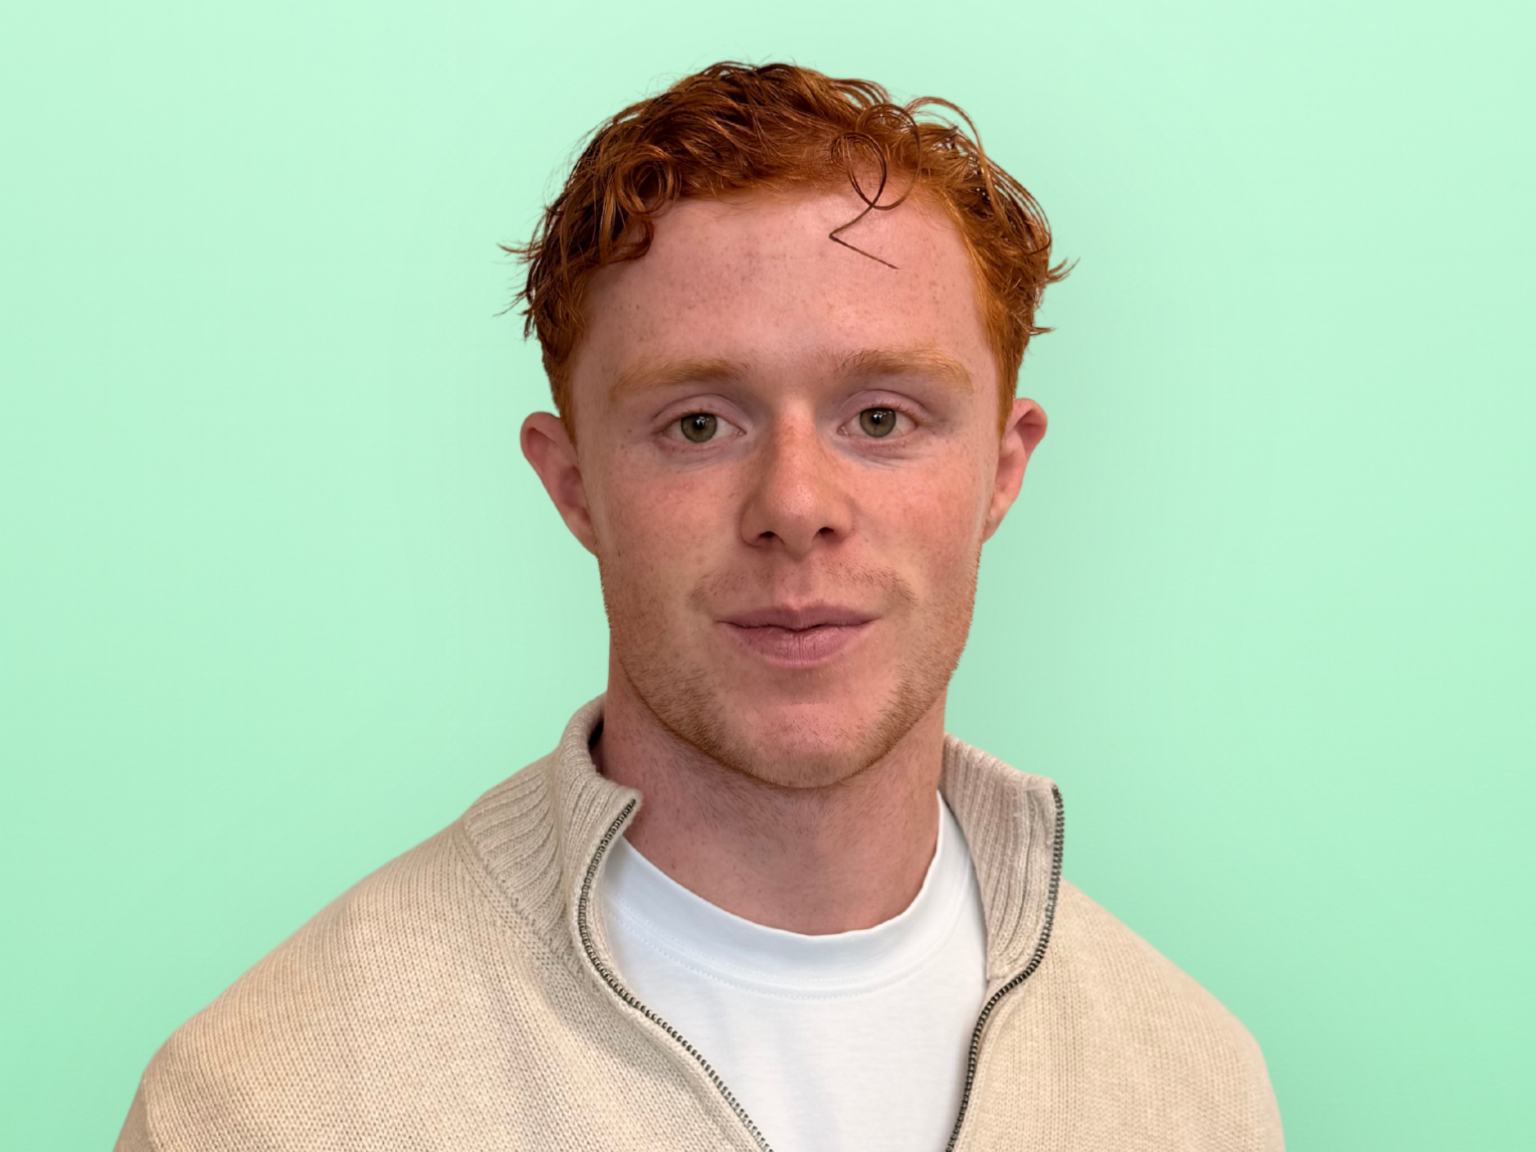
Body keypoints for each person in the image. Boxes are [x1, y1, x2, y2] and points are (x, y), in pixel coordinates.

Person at [116, 62, 1283, 1152]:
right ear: (574, 486)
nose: (796, 506)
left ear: (1002, 469)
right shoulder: (269, 1107)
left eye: (881, 418)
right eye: (697, 425)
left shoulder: (1193, 1086)